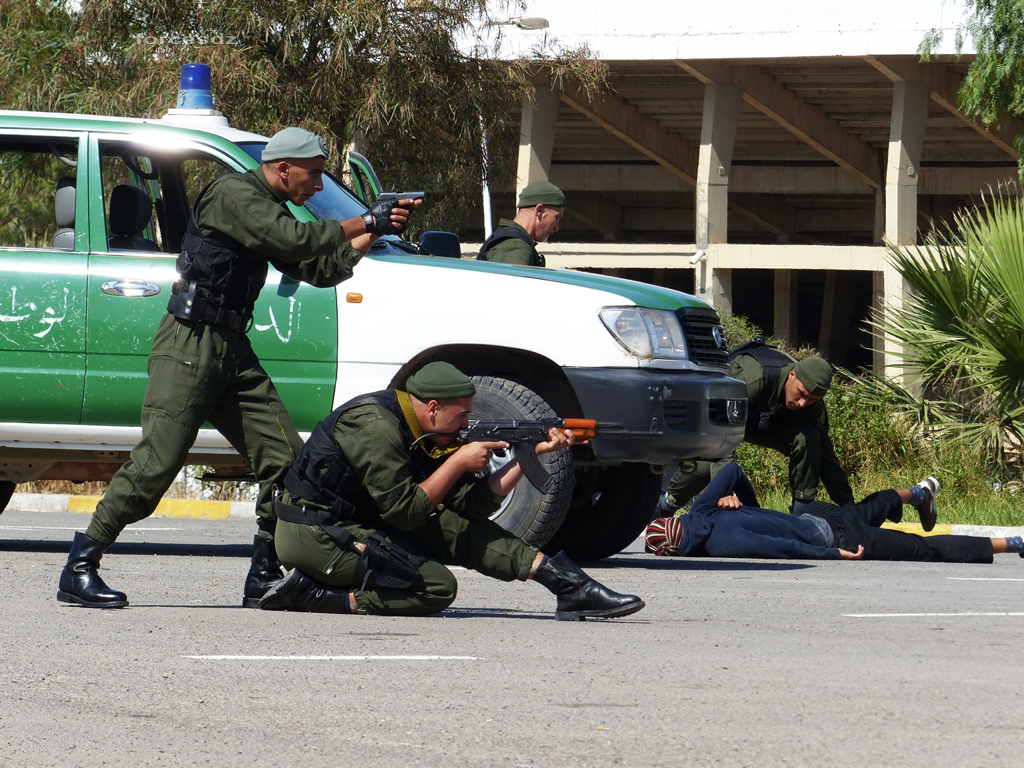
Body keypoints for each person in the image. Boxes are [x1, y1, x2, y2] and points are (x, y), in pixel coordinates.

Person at [57, 127, 421, 610]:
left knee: (287, 461)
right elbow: (296, 239)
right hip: (190, 344)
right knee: (156, 464)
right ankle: (81, 565)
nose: (316, 185)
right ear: (283, 168)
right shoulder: (235, 195)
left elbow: (318, 268)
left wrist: (375, 229)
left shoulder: (268, 207)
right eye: (313, 176)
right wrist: (361, 219)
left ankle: (264, 572)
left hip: (230, 348)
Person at [259, 361, 646, 621]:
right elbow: (405, 512)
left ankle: (566, 584)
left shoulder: (426, 431)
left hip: (359, 522)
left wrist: (532, 455)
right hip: (314, 533)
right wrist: (458, 461)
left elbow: (473, 506)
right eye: (462, 414)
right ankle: (312, 596)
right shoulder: (375, 427)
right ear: (431, 408)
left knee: (460, 527)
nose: (468, 422)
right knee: (435, 587)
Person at [646, 462, 1024, 564]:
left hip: (838, 538)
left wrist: (832, 554)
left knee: (922, 549)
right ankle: (920, 493)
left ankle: (1012, 542)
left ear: (676, 550)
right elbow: (732, 470)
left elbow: (784, 550)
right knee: (865, 509)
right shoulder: (704, 508)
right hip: (820, 514)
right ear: (675, 520)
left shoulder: (720, 545)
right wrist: (741, 500)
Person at [661, 340, 854, 517]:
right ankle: (663, 507)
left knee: (808, 438)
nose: (803, 403)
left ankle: (802, 511)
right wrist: (725, 492)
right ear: (793, 374)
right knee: (705, 467)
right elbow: (721, 433)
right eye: (801, 394)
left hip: (759, 421)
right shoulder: (753, 378)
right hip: (718, 419)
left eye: (811, 399)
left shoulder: (812, 404)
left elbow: (826, 454)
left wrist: (847, 503)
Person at [476, 180, 565, 267]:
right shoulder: (514, 248)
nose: (556, 228)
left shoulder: (515, 244)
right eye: (556, 217)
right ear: (539, 210)